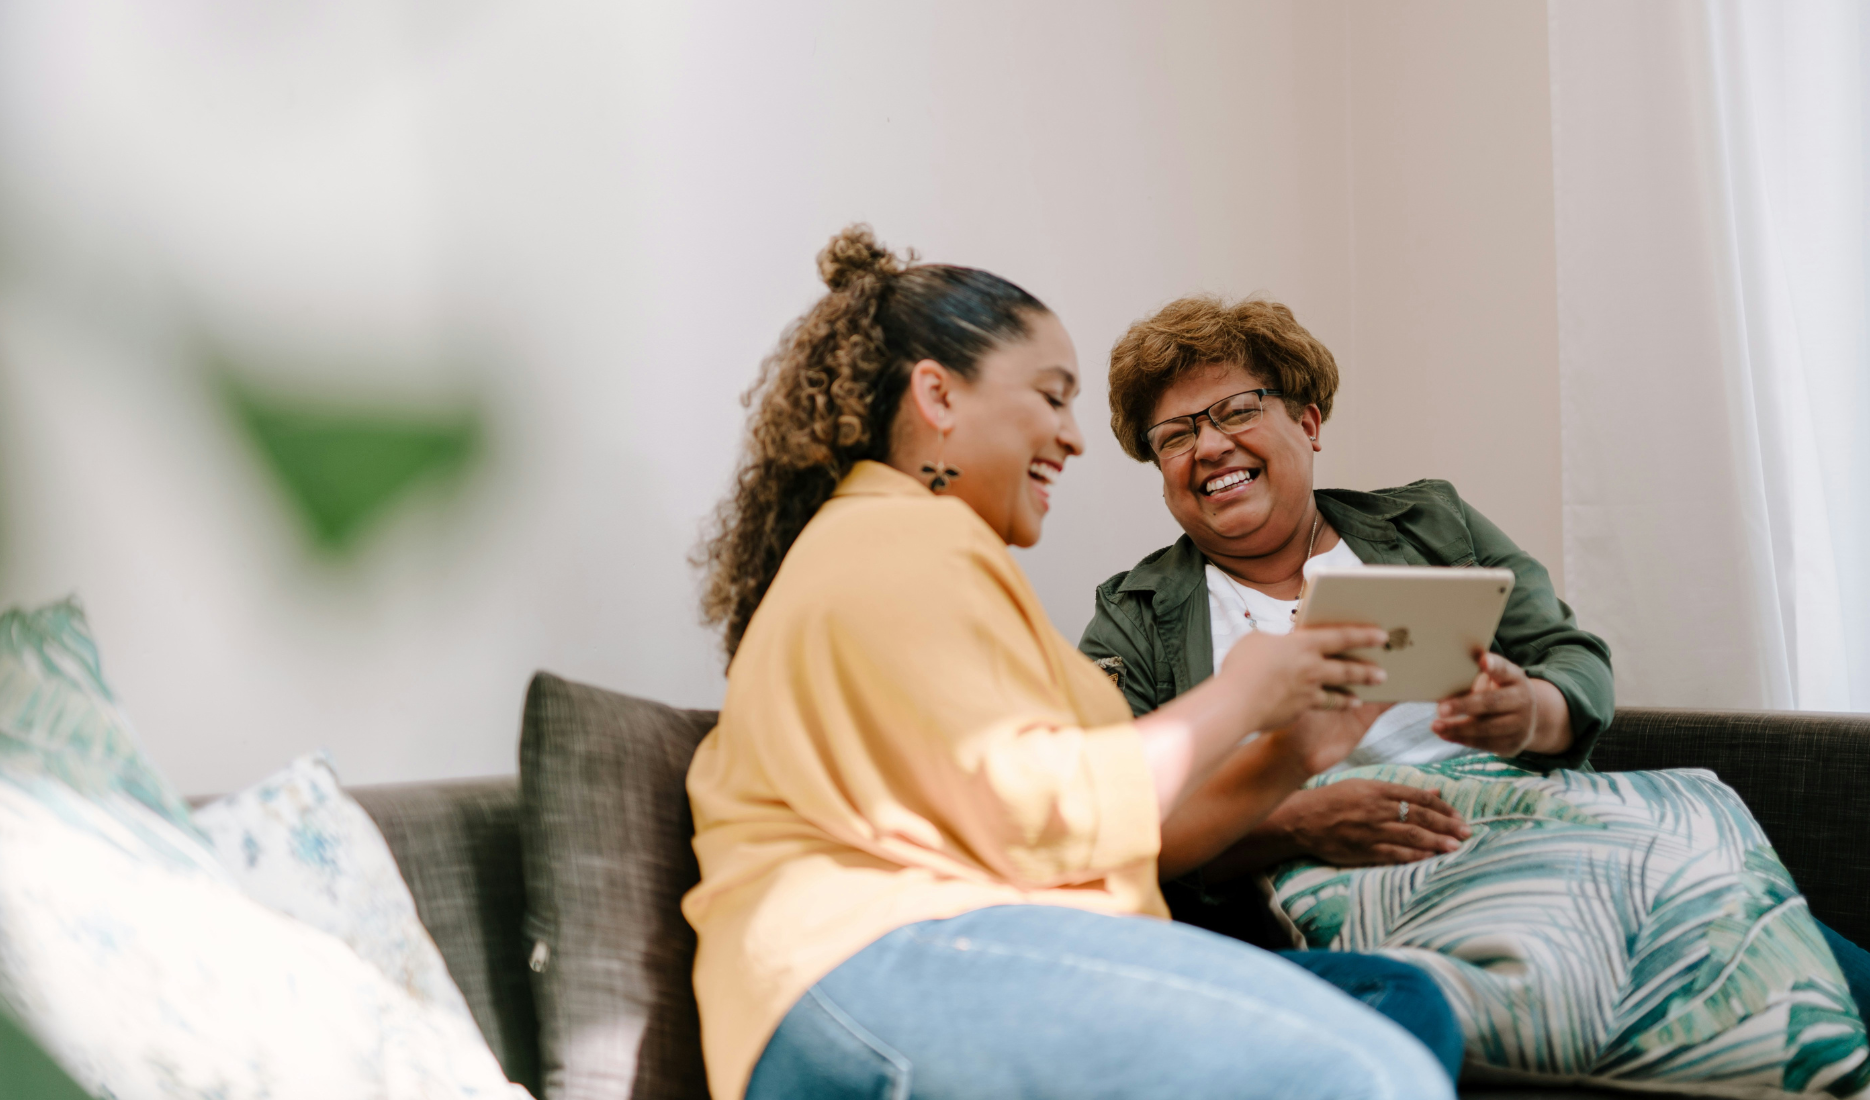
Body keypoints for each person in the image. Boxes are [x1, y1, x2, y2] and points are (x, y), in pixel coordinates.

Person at [683, 227, 1458, 1100]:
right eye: (1052, 398)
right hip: (873, 967)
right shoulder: (897, 536)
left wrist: (1294, 753)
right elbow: (1036, 808)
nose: (1076, 437)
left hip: (973, 942)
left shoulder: (938, 559)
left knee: (1399, 1001)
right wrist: (1245, 692)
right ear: (936, 394)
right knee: (1366, 1069)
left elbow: (1112, 837)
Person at [1077, 293, 1870, 1008]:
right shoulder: (1133, 616)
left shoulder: (1432, 524)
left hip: (1528, 829)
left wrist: (1530, 713)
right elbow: (1125, 821)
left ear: (1309, 423)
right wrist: (1296, 822)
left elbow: (1570, 657)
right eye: (1175, 435)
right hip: (1331, 900)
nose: (1207, 446)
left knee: (1806, 959)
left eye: (1235, 410)